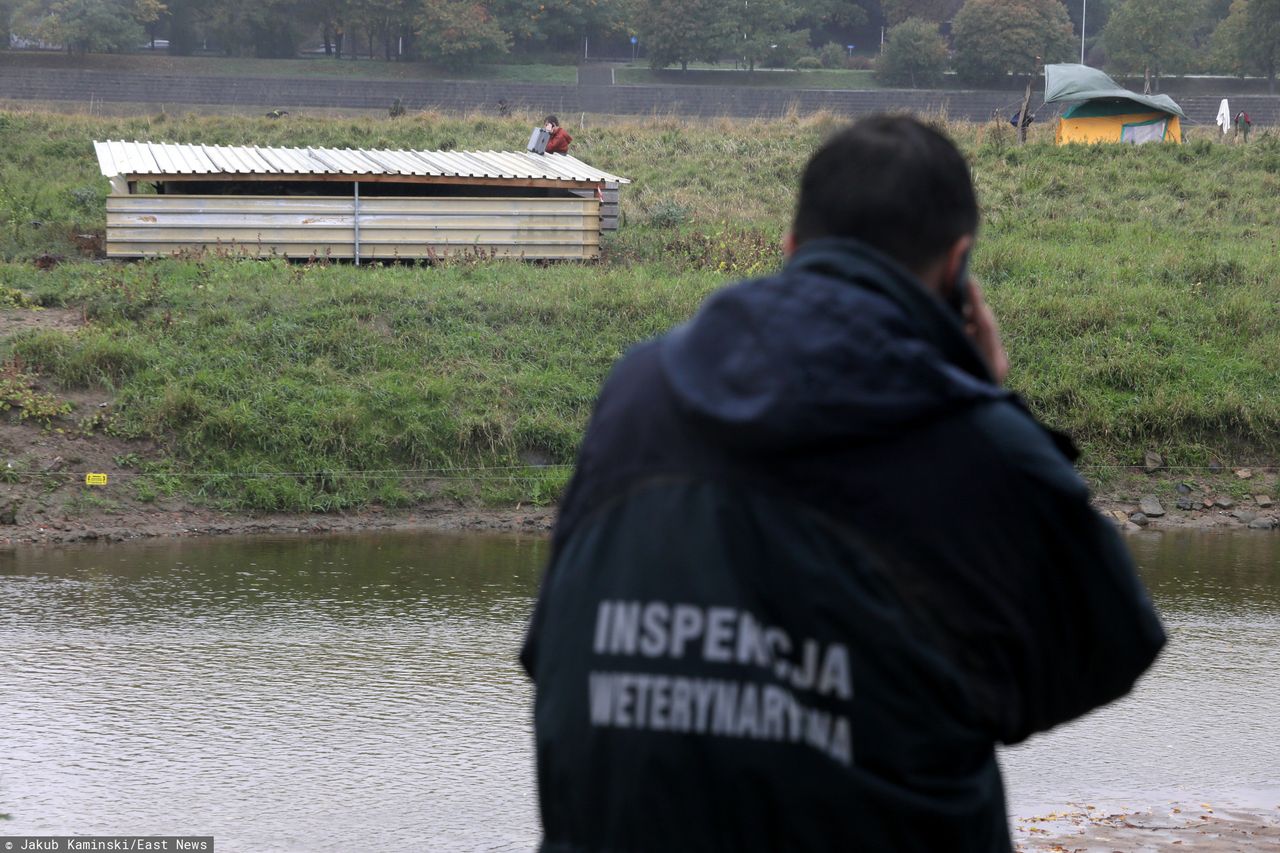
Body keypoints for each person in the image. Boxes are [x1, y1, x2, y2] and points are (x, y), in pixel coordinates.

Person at [521, 115, 1165, 852]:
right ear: (958, 267)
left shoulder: (638, 389)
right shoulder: (971, 439)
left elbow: (552, 655)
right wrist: (987, 401)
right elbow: (1105, 646)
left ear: (793, 247)